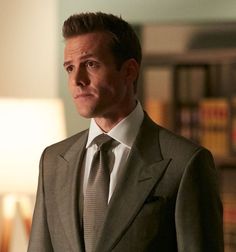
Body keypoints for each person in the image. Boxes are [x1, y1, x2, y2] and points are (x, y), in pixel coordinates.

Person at [28, 12, 224, 252]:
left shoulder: (185, 163)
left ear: (129, 71)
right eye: (70, 68)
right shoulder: (53, 161)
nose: (77, 80)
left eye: (90, 64)